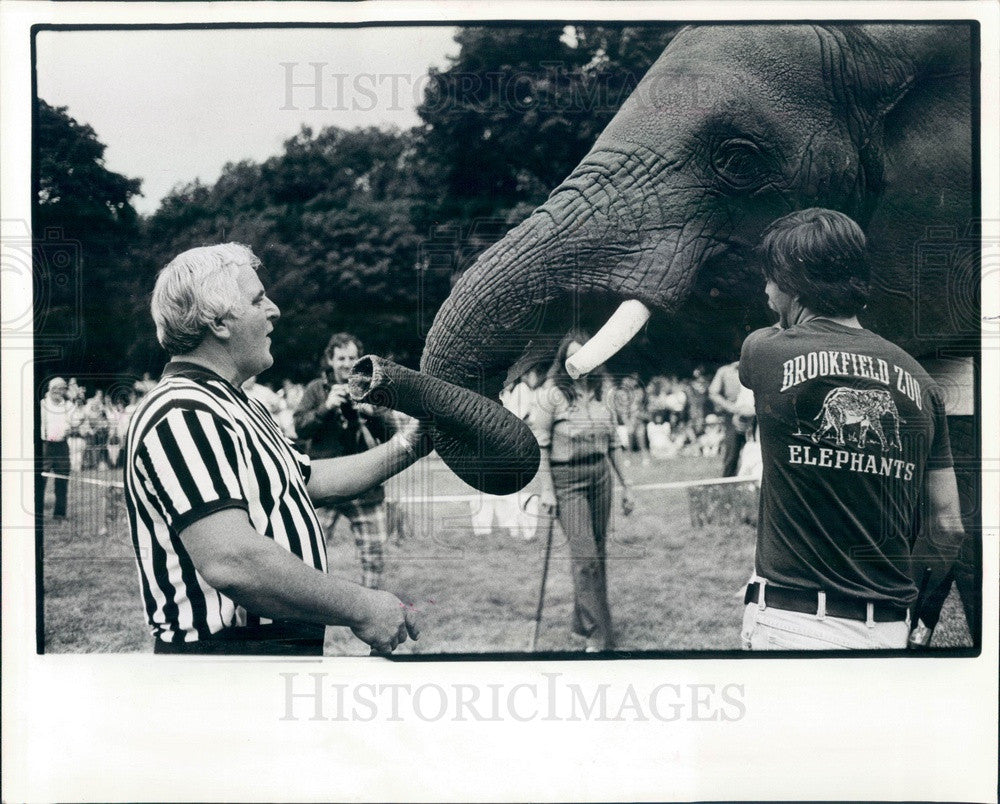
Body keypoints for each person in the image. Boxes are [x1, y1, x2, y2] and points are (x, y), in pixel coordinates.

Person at [124, 243, 426, 656]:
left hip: (261, 653)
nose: (274, 310)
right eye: (257, 299)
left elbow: (310, 479)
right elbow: (233, 561)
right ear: (218, 322)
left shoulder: (239, 404)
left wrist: (413, 443)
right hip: (224, 662)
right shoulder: (182, 410)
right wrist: (363, 607)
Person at [738, 208, 966, 650]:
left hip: (792, 624)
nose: (765, 292)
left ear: (790, 283)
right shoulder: (922, 382)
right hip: (888, 630)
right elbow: (950, 525)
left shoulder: (764, 353)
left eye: (770, 279)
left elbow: (771, 346)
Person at [533, 330, 634, 652]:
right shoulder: (552, 395)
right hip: (567, 480)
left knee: (597, 556)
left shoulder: (605, 391)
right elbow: (541, 446)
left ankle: (580, 626)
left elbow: (614, 442)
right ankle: (599, 638)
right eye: (573, 357)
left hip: (600, 475)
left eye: (586, 355)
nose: (581, 364)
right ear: (563, 361)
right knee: (585, 557)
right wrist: (547, 491)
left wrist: (627, 486)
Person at [293, 332, 402, 590]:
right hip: (324, 482)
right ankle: (306, 599)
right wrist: (325, 408)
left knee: (374, 556)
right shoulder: (315, 390)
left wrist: (371, 413)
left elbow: (392, 435)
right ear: (330, 360)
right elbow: (299, 428)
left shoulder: (374, 390)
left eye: (352, 357)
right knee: (307, 550)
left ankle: (370, 602)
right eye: (341, 357)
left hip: (366, 485)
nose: (346, 363)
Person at [708, 359, 752, 477]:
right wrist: (730, 407)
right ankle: (727, 485)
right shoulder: (725, 371)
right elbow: (713, 393)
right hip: (733, 416)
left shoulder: (756, 368)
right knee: (732, 454)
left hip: (755, 415)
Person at [38, 376, 72, 519]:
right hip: (46, 446)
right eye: (59, 388)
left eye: (63, 389)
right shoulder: (43, 404)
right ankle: (37, 512)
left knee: (62, 480)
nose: (62, 392)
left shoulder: (67, 406)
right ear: (52, 389)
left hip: (62, 446)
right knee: (41, 481)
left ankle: (59, 514)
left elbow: (72, 423)